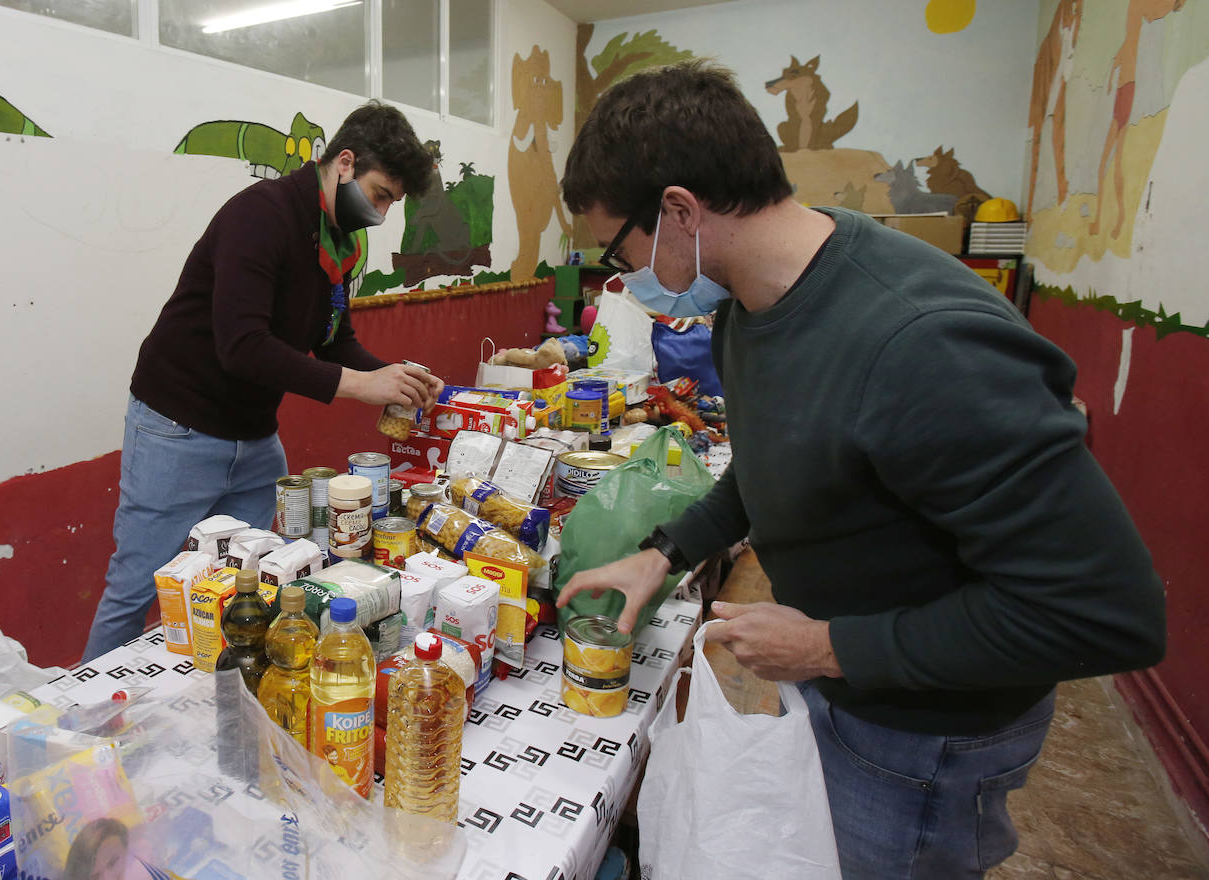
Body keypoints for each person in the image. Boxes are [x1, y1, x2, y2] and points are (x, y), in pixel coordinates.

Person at [557, 61, 1165, 878]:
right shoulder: (752, 307)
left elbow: (1104, 612)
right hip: (843, 686)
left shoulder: (922, 342)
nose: (615, 277)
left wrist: (826, 646)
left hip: (925, 737)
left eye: (615, 249)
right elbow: (776, 463)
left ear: (679, 211)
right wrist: (663, 551)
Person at [84, 102, 442, 661]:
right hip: (177, 426)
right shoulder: (261, 216)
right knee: (135, 591)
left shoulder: (338, 245)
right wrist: (358, 385)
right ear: (344, 164)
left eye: (391, 203)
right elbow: (241, 346)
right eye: (379, 195)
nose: (380, 213)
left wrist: (392, 376)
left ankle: (224, 700)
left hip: (252, 439)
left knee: (252, 584)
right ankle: (89, 729)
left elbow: (331, 340)